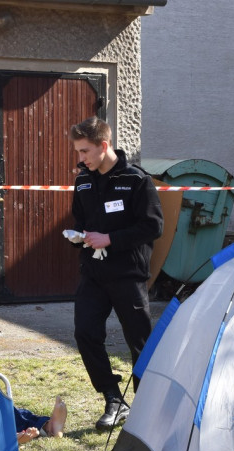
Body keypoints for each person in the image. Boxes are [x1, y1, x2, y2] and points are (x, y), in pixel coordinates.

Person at [68, 117, 163, 431]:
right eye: (78, 151)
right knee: (85, 333)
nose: (80, 158)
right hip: (93, 272)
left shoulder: (136, 180)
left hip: (127, 274)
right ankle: (113, 398)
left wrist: (111, 238)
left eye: (85, 151)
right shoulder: (83, 180)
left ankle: (148, 408)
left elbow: (153, 226)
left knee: (140, 343)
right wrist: (79, 236)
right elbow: (82, 219)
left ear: (103, 146)